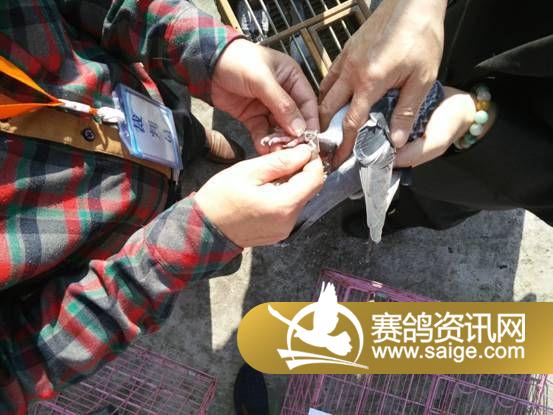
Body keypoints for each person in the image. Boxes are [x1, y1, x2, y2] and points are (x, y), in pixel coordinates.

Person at [0, 1, 324, 412]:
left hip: (141, 109)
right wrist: (199, 238)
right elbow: (25, 363)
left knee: (183, 131)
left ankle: (199, 141)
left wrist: (212, 52)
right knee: (221, 248)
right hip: (126, 244)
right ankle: (223, 227)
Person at [318, 0, 553, 236]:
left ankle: (399, 214)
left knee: (441, 196)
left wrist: (477, 119)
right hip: (482, 25)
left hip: (514, 157)